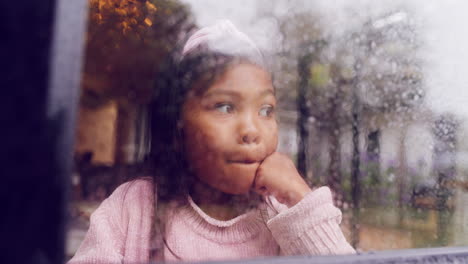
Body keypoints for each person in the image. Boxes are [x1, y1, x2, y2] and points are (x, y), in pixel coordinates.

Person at [68, 20, 355, 263]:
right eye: (225, 107)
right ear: (178, 127)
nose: (251, 130)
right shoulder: (132, 208)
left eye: (266, 110)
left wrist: (300, 198)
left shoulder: (285, 213)